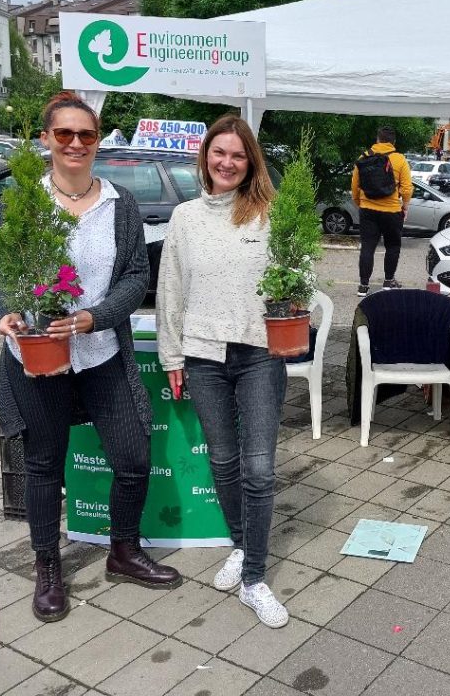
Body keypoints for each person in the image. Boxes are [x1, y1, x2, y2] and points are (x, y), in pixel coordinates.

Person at [0, 91, 181, 624]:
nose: (75, 144)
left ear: (98, 142)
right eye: (64, 134)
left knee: (133, 456)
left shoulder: (120, 204)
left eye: (86, 135)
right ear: (46, 139)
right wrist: (3, 311)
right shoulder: (24, 199)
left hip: (99, 352)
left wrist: (98, 316)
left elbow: (138, 275)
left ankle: (123, 550)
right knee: (44, 463)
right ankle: (47, 565)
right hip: (36, 353)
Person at [156, 115, 290, 628]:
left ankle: (255, 579)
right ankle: (240, 542)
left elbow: (295, 278)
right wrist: (173, 356)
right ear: (206, 157)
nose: (228, 163)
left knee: (258, 469)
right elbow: (171, 288)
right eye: (220, 153)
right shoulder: (186, 217)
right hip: (204, 356)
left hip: (259, 353)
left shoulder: (269, 213)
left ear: (250, 161)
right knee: (224, 461)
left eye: (238, 155)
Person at [351, 125, 413, 296]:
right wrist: (405, 207)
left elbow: (355, 187)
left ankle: (363, 286)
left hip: (368, 210)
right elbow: (407, 188)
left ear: (377, 139)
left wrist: (360, 203)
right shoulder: (400, 159)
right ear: (393, 142)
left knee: (367, 247)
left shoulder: (363, 157)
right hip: (392, 211)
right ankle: (388, 282)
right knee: (392, 246)